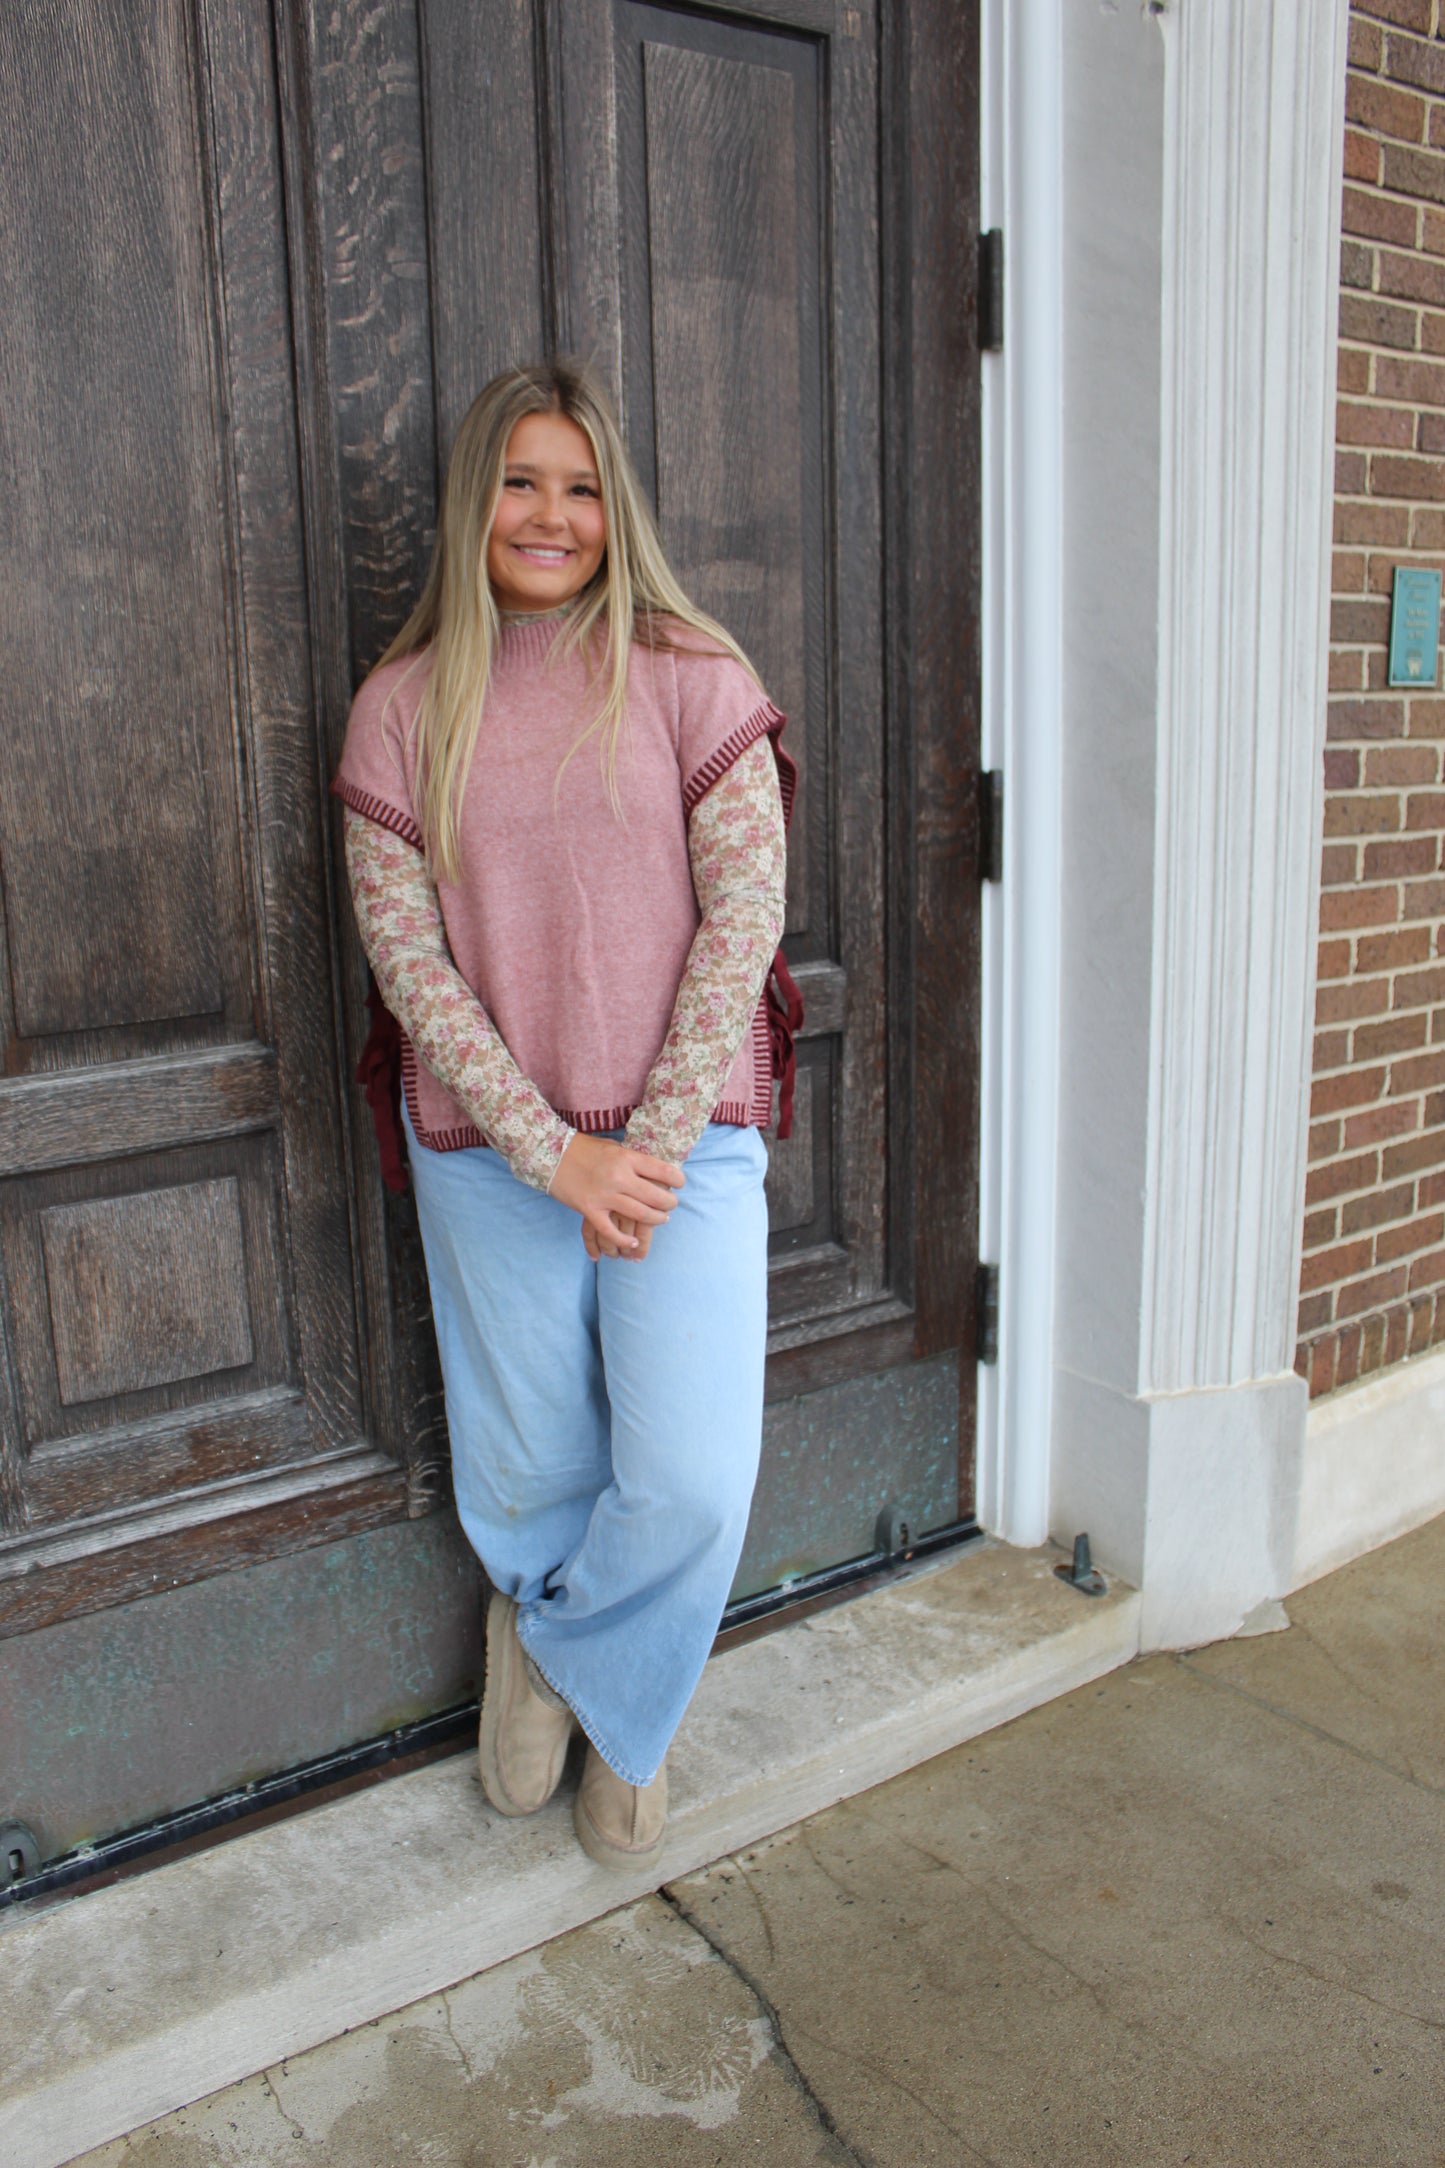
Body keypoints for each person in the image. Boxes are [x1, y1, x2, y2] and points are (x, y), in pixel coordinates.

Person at [332, 358, 798, 1873]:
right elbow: (405, 957)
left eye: (582, 487)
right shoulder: (402, 709)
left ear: (617, 509)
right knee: (530, 1464)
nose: (552, 515)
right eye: (521, 482)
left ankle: (584, 1675)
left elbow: (746, 915)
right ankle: (554, 1630)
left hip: (681, 1149)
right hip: (490, 1154)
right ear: (477, 501)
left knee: (689, 1477)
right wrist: (552, 1153)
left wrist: (639, 1148)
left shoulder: (690, 674)